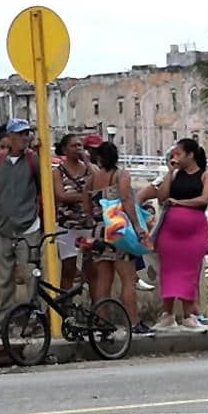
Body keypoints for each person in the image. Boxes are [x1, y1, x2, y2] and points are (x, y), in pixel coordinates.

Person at [0, 118, 42, 330]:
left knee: (31, 275)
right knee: (4, 278)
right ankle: (2, 320)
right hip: (3, 227)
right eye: (21, 134)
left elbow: (44, 189)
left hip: (28, 225)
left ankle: (35, 318)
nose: (25, 137)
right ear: (10, 137)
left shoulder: (33, 160)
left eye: (27, 134)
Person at [150, 138, 208, 333]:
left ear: (191, 154)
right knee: (168, 271)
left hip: (194, 231)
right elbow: (162, 197)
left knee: (189, 272)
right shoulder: (175, 175)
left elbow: (205, 199)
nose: (175, 157)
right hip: (170, 231)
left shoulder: (206, 176)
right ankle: (167, 314)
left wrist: (180, 203)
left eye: (179, 153)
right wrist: (169, 173)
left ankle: (189, 315)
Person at [87, 140, 151, 334]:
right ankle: (133, 322)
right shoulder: (121, 175)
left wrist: (95, 219)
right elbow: (126, 200)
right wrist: (139, 227)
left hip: (99, 230)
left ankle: (102, 322)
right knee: (128, 278)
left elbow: (86, 204)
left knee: (102, 281)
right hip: (118, 231)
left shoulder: (92, 179)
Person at [53, 133, 95, 294]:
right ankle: (66, 309)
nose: (78, 148)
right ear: (65, 149)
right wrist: (84, 197)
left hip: (87, 225)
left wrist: (88, 162)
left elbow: (98, 182)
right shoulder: (58, 172)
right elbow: (60, 195)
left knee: (92, 270)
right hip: (67, 225)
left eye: (80, 145)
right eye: (74, 146)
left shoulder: (88, 169)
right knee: (68, 269)